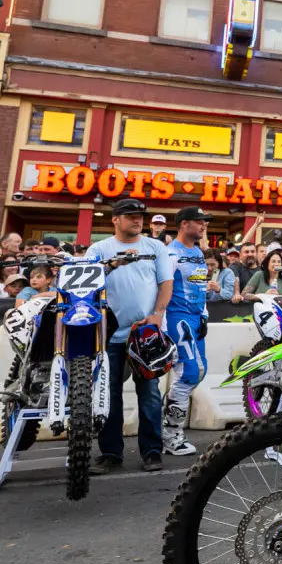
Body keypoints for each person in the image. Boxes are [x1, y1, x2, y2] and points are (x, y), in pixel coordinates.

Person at [86, 197, 173, 472]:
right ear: (115, 219)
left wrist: (158, 314)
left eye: (140, 216)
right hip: (108, 334)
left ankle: (152, 451)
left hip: (146, 331)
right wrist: (110, 266)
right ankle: (111, 453)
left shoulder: (155, 246)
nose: (137, 220)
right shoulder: (98, 249)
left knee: (149, 392)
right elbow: (85, 282)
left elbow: (166, 283)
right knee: (108, 394)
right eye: (130, 216)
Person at [162, 205, 212, 456]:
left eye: (205, 222)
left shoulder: (198, 253)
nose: (203, 225)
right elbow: (162, 289)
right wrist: (161, 322)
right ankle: (171, 435)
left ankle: (169, 417)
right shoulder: (169, 253)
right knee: (190, 372)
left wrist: (203, 315)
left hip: (195, 318)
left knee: (200, 372)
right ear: (184, 224)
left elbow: (199, 284)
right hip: (176, 317)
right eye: (199, 221)